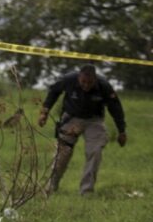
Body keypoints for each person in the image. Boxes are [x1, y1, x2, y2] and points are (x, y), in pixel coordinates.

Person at [38, 64, 126, 196]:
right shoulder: (68, 79)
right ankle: (51, 186)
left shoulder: (104, 86)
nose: (86, 85)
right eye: (83, 82)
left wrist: (121, 130)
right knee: (62, 154)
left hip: (94, 120)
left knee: (94, 152)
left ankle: (86, 191)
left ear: (95, 80)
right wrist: (45, 111)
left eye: (89, 83)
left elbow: (115, 108)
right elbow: (54, 91)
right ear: (79, 77)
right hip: (71, 118)